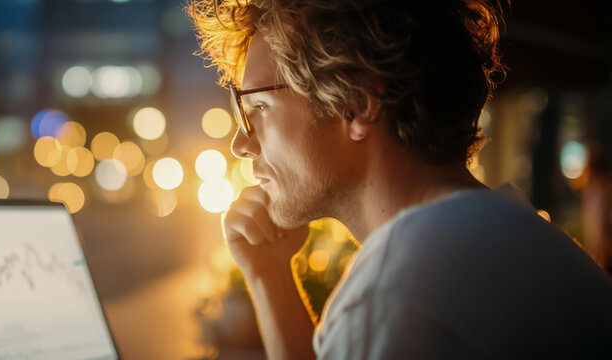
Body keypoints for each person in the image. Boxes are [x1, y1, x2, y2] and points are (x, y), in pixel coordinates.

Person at [187, 0, 612, 358]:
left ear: (356, 103)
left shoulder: (401, 285)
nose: (240, 144)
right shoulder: (506, 233)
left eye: (258, 107)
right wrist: (270, 276)